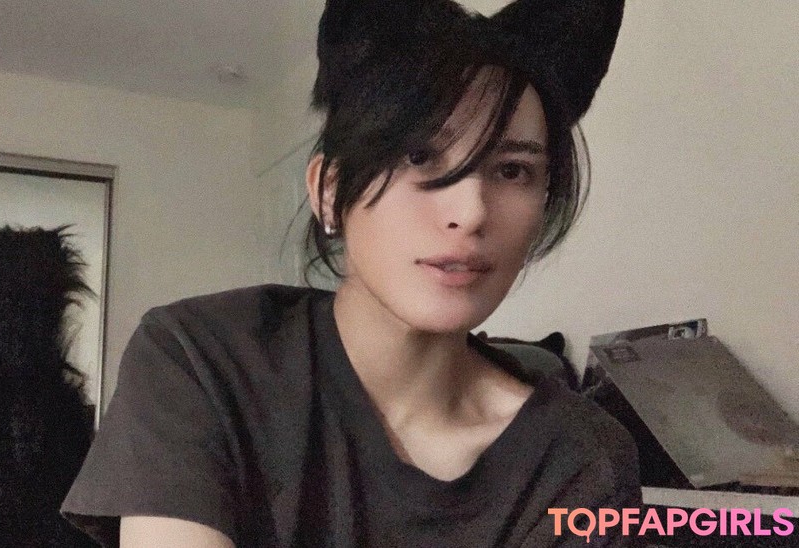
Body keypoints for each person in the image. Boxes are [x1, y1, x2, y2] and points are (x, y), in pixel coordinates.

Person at [62, 0, 641, 546]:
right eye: (419, 156)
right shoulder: (201, 360)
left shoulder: (581, 458)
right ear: (329, 191)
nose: (471, 212)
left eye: (513, 170)